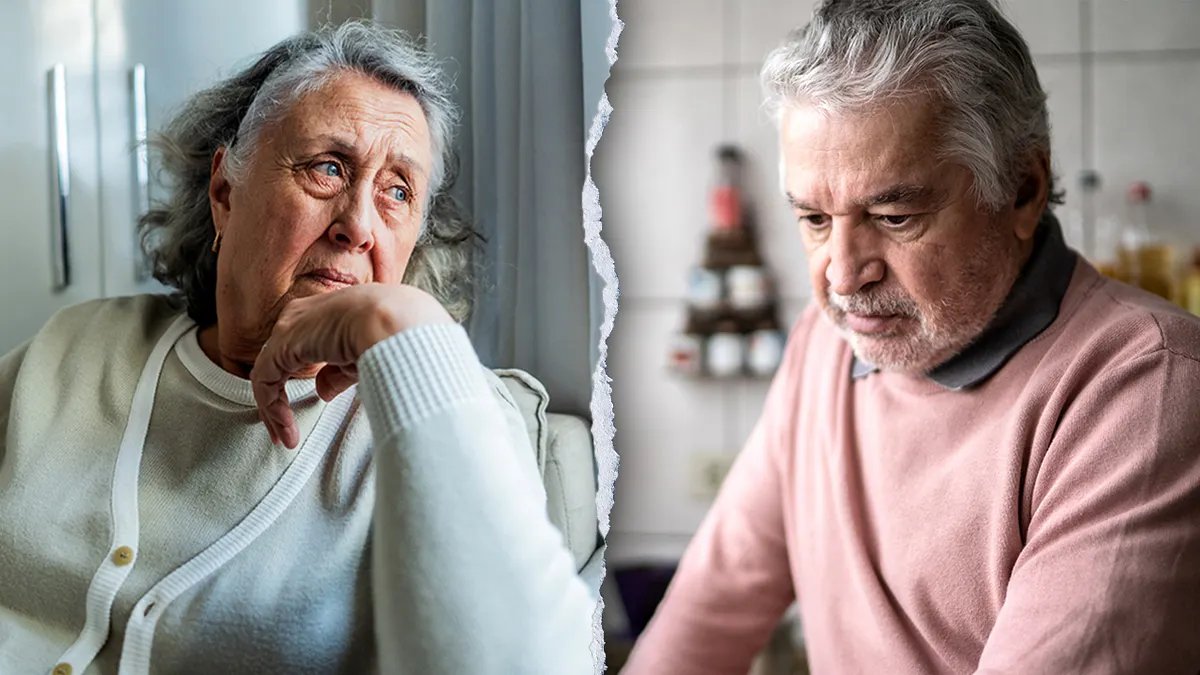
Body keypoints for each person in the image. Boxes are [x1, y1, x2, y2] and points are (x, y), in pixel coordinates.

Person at [0, 22, 595, 674]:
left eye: (397, 191)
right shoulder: (76, 347)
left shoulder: (452, 412)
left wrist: (402, 326)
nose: (358, 226)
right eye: (328, 168)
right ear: (225, 193)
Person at [625, 1, 1200, 673]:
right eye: (813, 217)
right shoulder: (824, 345)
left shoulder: (1144, 388)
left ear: (1022, 190)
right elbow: (710, 605)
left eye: (894, 216)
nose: (842, 273)